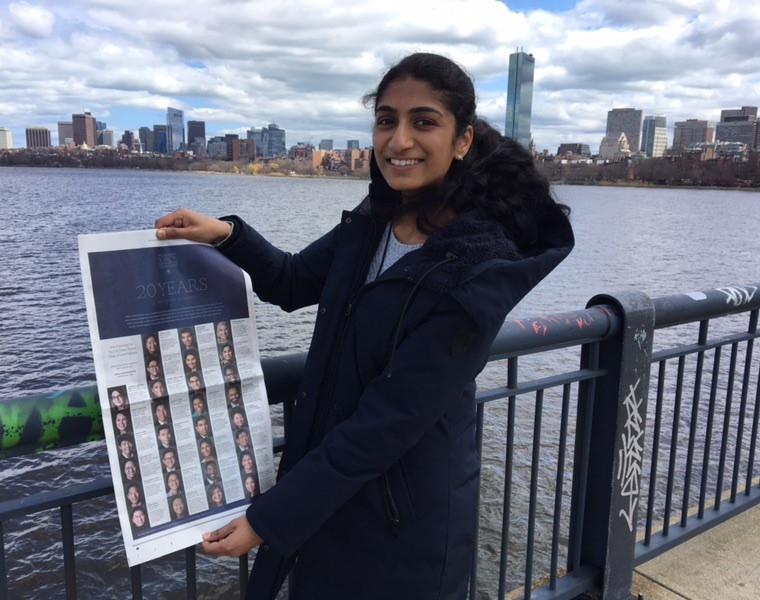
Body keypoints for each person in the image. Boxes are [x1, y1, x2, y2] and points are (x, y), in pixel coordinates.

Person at [155, 52, 573, 600]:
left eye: (423, 121)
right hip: (332, 489)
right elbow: (291, 281)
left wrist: (272, 518)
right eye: (386, 120)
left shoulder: (477, 263)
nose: (399, 141)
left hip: (403, 521)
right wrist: (226, 235)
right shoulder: (375, 221)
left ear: (463, 140)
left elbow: (391, 418)